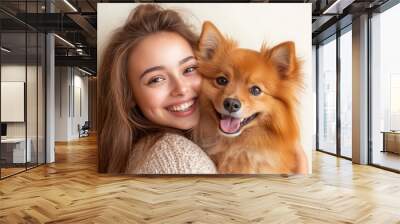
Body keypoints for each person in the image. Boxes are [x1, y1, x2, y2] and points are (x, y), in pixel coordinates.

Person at [98, 4, 217, 174]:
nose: (181, 88)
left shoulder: (149, 150)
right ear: (129, 95)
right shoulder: (177, 160)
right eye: (156, 79)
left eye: (189, 69)